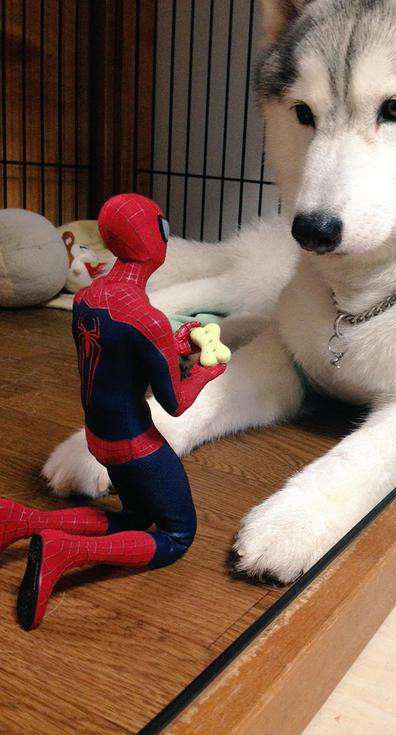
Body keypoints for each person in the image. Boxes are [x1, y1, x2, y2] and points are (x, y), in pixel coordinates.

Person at [0, 193, 225, 630]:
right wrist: (205, 372)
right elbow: (175, 403)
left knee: (135, 517)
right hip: (135, 444)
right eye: (163, 229)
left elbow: (119, 356)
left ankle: (22, 520)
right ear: (153, 240)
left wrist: (174, 344)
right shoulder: (147, 318)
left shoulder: (87, 298)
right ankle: (66, 550)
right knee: (178, 534)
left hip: (98, 437)